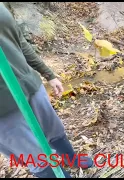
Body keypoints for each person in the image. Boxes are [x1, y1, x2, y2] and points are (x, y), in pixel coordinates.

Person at [0, 3, 93, 178]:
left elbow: (17, 40)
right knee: (33, 152)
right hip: (3, 107)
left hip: (28, 82)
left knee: (53, 127)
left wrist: (48, 73)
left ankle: (69, 158)